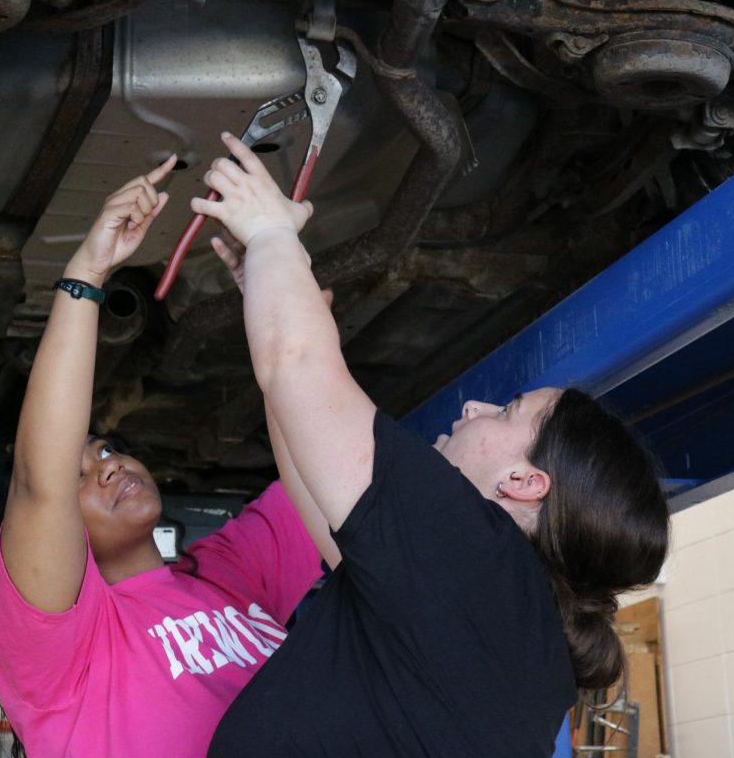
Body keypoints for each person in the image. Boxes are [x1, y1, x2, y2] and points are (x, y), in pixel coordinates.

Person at [197, 132, 672, 757]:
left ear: (524, 483)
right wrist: (273, 283)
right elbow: (312, 473)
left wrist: (271, 233)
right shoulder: (507, 634)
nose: (474, 408)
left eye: (507, 411)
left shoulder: (480, 559)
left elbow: (298, 363)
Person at [0, 159, 324, 758]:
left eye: (106, 449)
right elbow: (40, 483)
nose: (108, 464)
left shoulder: (226, 575)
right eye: (79, 473)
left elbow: (327, 463)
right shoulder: (61, 650)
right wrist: (87, 273)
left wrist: (279, 288)